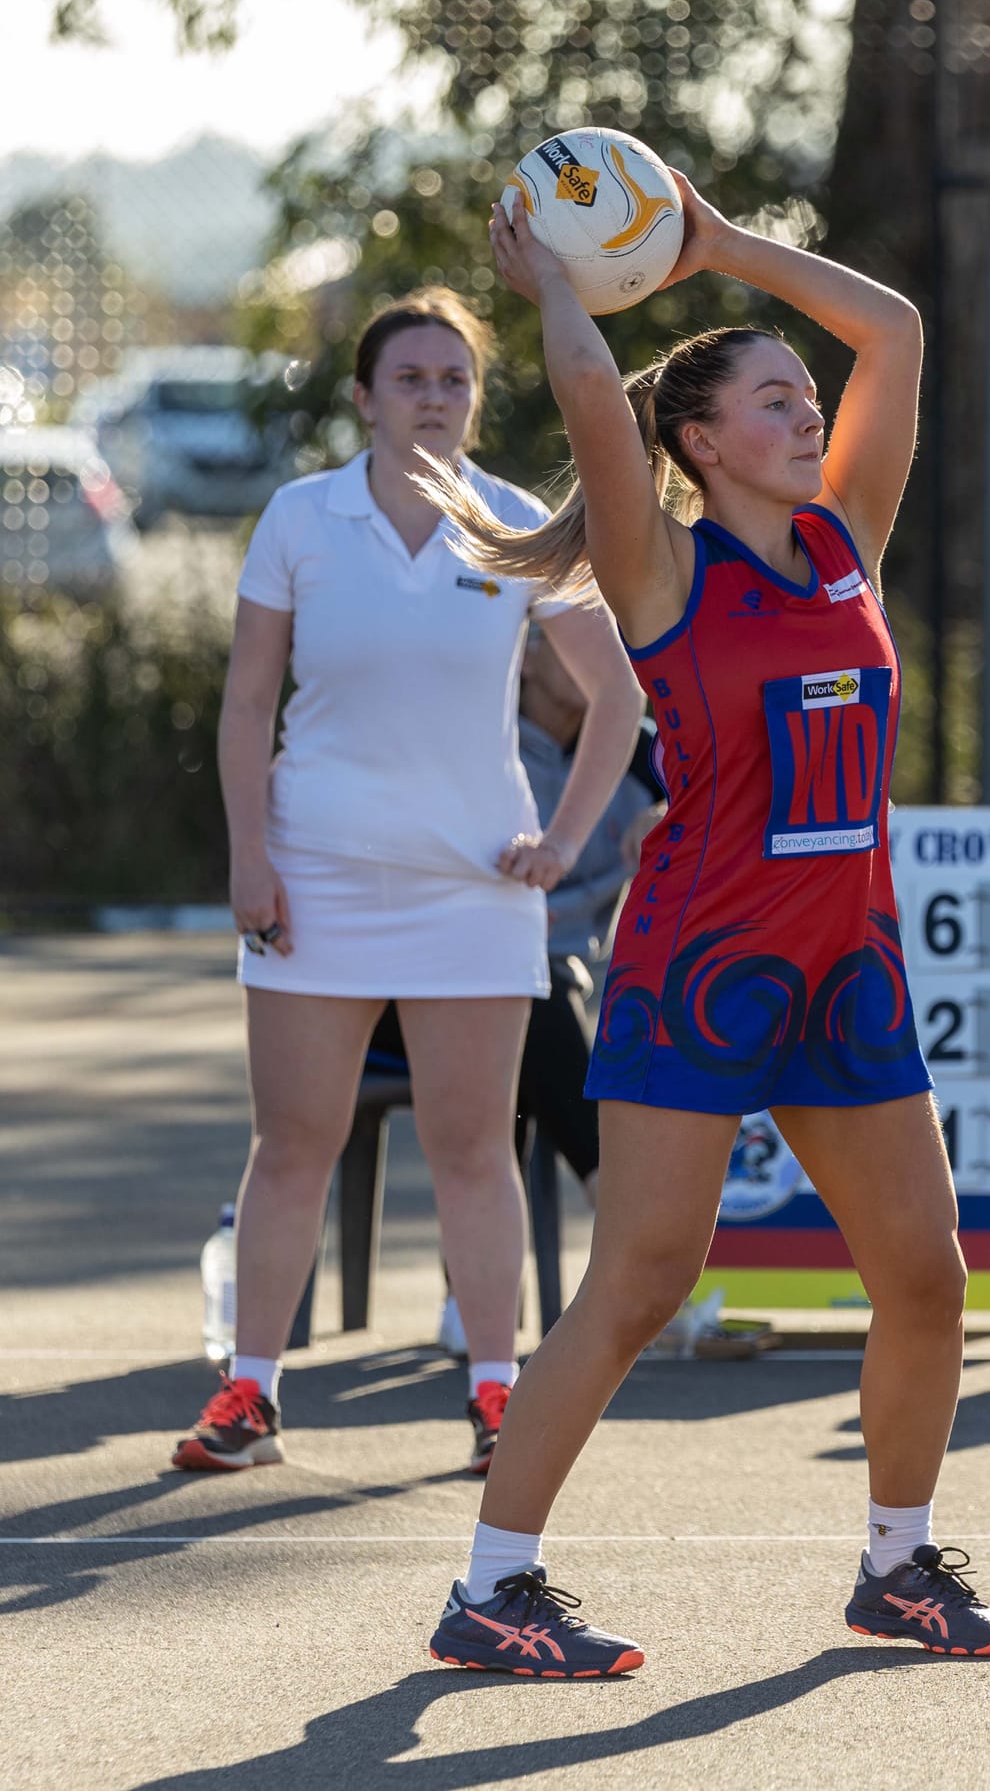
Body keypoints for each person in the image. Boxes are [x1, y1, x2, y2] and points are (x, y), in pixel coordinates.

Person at [419, 175, 990, 1677]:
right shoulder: (664, 570)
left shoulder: (844, 547)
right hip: (700, 962)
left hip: (848, 967)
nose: (807, 411)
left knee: (929, 1274)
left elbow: (893, 330)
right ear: (697, 443)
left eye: (804, 396)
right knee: (641, 1281)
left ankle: (897, 1563)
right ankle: (493, 1585)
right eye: (772, 398)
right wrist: (561, 282)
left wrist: (718, 244)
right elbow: (585, 396)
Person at [175, 289, 643, 1480]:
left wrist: (563, 842)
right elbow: (245, 704)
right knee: (293, 1143)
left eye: (453, 378)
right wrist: (248, 853)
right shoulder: (298, 517)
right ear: (364, 397)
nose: (433, 396)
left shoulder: (519, 521)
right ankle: (249, 1396)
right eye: (410, 378)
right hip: (312, 876)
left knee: (474, 1148)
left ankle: (497, 1397)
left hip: (475, 890)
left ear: (473, 397)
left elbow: (619, 698)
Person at [432, 623, 667, 1354]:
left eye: (610, 637)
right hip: (447, 975)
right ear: (525, 656)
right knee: (512, 1001)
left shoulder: (644, 752)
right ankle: (629, 1231)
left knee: (533, 1012)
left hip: (571, 984)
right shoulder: (478, 745)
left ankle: (470, 1298)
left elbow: (734, 819)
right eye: (571, 635)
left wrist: (676, 826)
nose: (599, 650)